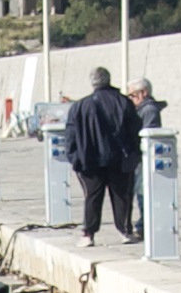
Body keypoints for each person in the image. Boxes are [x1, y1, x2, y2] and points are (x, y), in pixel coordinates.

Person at [59, 65, 146, 246]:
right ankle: (125, 230)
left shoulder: (80, 106)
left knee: (92, 197)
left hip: (89, 160)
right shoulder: (123, 102)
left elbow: (70, 135)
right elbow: (135, 130)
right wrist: (133, 155)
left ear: (92, 83)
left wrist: (74, 158)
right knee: (122, 196)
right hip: (120, 159)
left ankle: (88, 234)